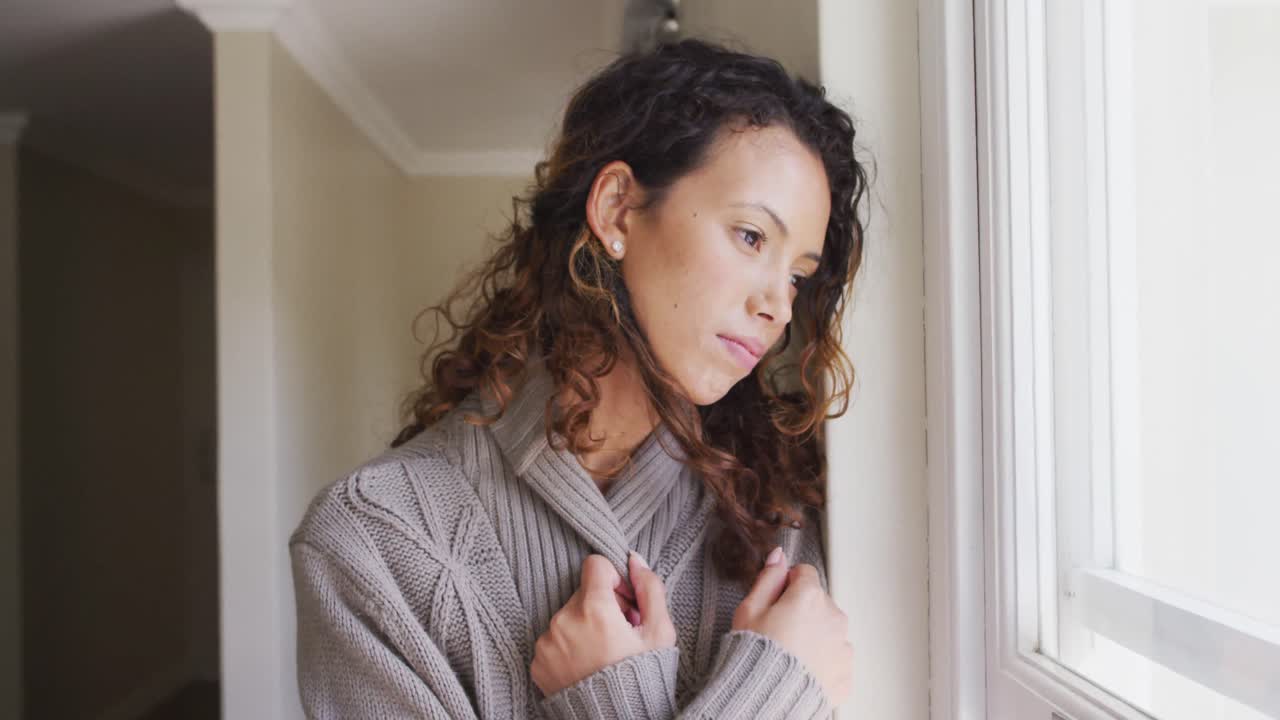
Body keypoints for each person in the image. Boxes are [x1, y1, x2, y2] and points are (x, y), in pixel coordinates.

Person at [289, 37, 868, 719]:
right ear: (619, 209)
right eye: (749, 237)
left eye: (798, 275)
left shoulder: (780, 515)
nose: (778, 305)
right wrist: (770, 691)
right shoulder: (372, 542)